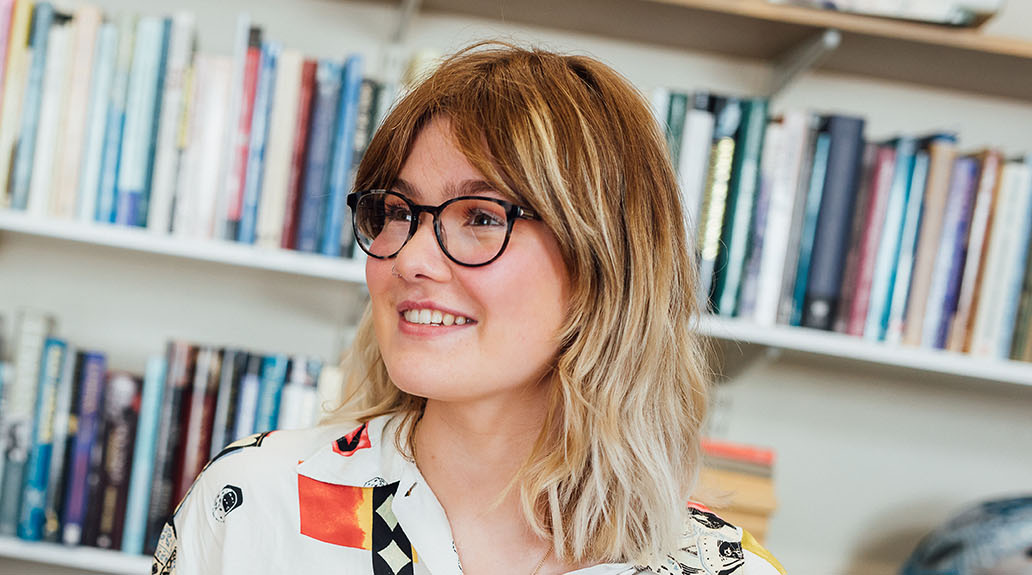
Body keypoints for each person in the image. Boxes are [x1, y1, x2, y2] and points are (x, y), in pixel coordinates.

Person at [150, 42, 786, 575]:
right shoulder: (253, 506)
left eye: (481, 217)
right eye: (396, 211)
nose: (410, 258)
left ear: (604, 265)